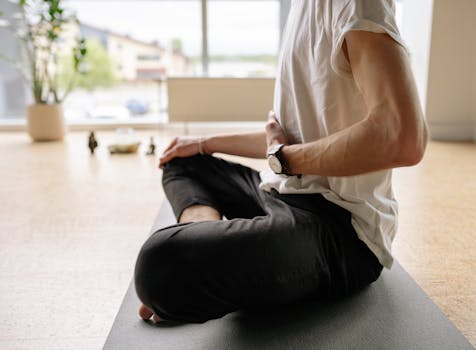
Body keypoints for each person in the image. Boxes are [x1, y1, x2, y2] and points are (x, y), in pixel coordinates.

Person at [135, 0, 429, 323]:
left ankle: (203, 256)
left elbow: (402, 136)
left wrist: (283, 159)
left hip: (342, 229)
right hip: (281, 191)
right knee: (182, 160)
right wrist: (204, 143)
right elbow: (286, 140)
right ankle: (204, 236)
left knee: (157, 264)